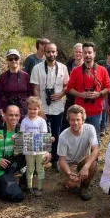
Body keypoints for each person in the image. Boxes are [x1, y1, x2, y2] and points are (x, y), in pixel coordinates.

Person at [0, 105, 50, 202]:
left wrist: (47, 152)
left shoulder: (21, 129)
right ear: (5, 116)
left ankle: (23, 183)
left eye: (16, 115)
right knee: (17, 196)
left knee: (39, 158)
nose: (13, 118)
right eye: (10, 115)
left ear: (19, 117)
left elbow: (37, 140)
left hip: (13, 163)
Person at [30, 42, 69, 172]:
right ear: (44, 52)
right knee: (41, 134)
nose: (51, 54)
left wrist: (61, 94)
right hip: (43, 108)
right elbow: (35, 88)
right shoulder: (37, 68)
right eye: (48, 52)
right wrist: (39, 108)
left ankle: (55, 160)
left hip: (57, 107)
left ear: (57, 52)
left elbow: (66, 86)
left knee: (56, 134)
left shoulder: (63, 68)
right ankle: (39, 161)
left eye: (53, 52)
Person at [66, 42, 110, 142]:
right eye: (85, 52)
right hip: (79, 112)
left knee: (94, 138)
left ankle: (95, 158)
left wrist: (98, 94)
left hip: (95, 111)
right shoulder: (76, 70)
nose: (87, 55)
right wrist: (80, 94)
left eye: (89, 52)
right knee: (79, 138)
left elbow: (109, 87)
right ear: (82, 54)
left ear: (94, 54)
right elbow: (69, 88)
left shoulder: (102, 70)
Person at [57, 105, 99, 201]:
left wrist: (86, 167)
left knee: (93, 163)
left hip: (83, 160)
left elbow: (96, 150)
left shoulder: (90, 129)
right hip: (69, 163)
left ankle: (85, 186)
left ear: (83, 120)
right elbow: (62, 160)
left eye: (78, 120)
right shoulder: (63, 136)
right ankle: (68, 182)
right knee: (72, 184)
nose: (75, 123)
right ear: (68, 120)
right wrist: (69, 173)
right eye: (72, 120)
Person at [0, 49, 33, 124]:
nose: (13, 61)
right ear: (7, 61)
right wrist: (1, 114)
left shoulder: (26, 76)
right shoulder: (2, 77)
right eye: (10, 59)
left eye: (16, 58)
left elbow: (31, 96)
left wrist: (29, 112)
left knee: (22, 134)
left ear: (19, 60)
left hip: (23, 111)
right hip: (6, 110)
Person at [21, 96, 50, 196]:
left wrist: (46, 151)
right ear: (27, 109)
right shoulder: (24, 121)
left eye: (35, 109)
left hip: (40, 150)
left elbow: (44, 136)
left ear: (39, 109)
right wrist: (17, 139)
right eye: (30, 109)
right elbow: (22, 135)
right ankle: (29, 187)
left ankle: (40, 188)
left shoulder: (42, 121)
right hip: (29, 150)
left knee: (40, 168)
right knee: (29, 168)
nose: (32, 111)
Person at [64, 43, 84, 125]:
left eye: (80, 52)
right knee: (68, 122)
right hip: (70, 98)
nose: (78, 54)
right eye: (76, 52)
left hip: (83, 98)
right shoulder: (67, 65)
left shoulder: (89, 66)